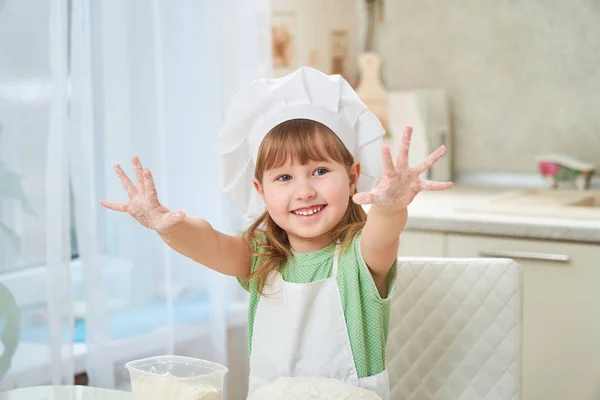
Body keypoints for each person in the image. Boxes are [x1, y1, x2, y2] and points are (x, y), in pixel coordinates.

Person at [100, 67, 452, 399]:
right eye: (284, 177)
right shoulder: (260, 258)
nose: (304, 191)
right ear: (260, 189)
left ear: (353, 175)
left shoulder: (359, 257)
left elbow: (383, 232)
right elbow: (210, 243)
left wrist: (391, 206)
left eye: (319, 171)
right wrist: (169, 225)